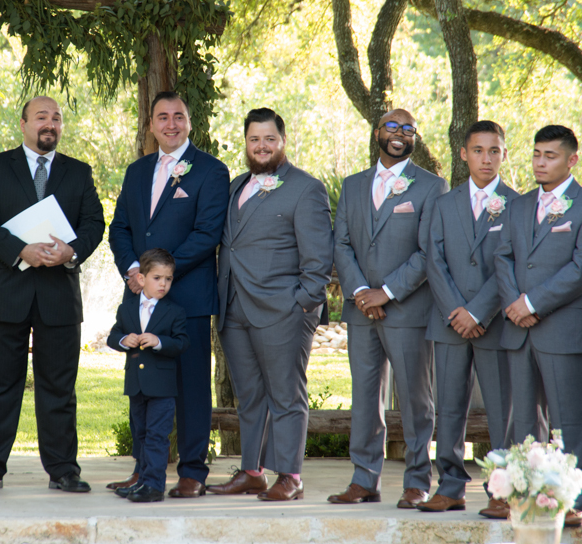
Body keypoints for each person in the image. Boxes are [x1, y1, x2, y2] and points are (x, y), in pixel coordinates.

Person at [0, 96, 105, 492]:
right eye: (42, 117)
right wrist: (19, 249)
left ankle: (63, 471)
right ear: (24, 124)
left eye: (57, 118)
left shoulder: (79, 173)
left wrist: (72, 250)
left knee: (59, 387)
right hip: (6, 293)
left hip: (59, 295)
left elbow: (95, 222)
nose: (50, 123)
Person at [207, 107, 333, 501]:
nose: (261, 147)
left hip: (283, 311)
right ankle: (252, 471)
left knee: (286, 395)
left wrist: (302, 305)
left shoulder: (305, 188)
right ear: (246, 143)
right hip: (234, 308)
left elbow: (318, 260)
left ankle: (290, 476)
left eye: (269, 139)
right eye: (254, 139)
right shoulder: (234, 186)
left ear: (282, 141)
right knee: (250, 396)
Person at [108, 91, 229, 498]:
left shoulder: (211, 171)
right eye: (163, 116)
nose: (171, 123)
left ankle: (193, 472)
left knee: (191, 388)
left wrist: (159, 274)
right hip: (140, 302)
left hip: (188, 300)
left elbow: (207, 234)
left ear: (190, 122)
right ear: (151, 124)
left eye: (179, 116)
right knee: (145, 389)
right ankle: (144, 470)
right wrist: (134, 272)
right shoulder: (137, 171)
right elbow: (120, 228)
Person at [330, 109, 448, 508]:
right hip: (361, 311)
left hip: (408, 310)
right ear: (377, 132)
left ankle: (417, 481)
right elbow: (341, 244)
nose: (399, 134)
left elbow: (429, 250)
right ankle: (364, 479)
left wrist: (387, 292)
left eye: (408, 129)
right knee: (365, 398)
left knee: (416, 400)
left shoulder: (432, 187)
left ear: (414, 137)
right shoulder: (352, 185)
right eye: (392, 127)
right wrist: (362, 291)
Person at [493, 125, 582, 524]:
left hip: (562, 329)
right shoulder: (519, 205)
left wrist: (532, 302)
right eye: (537, 154)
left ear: (572, 159)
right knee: (524, 421)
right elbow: (503, 257)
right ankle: (529, 496)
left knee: (571, 419)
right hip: (517, 328)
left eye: (551, 156)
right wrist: (513, 303)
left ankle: (580, 498)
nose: (541, 162)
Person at [421, 120, 517, 514]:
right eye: (478, 150)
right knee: (449, 406)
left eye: (494, 151)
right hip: (449, 322)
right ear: (463, 154)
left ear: (504, 155)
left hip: (493, 323)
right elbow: (434, 259)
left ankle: (502, 490)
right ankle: (450, 485)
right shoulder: (444, 204)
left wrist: (477, 310)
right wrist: (456, 311)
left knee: (501, 409)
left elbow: (510, 265)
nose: (486, 158)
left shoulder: (518, 204)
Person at [107, 249, 190, 503]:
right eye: (157, 278)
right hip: (136, 385)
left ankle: (154, 485)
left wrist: (159, 341)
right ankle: (142, 481)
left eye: (168, 278)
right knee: (141, 434)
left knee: (157, 435)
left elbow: (182, 343)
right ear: (141, 279)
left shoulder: (174, 311)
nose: (163, 284)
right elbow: (113, 336)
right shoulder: (127, 308)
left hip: (162, 387)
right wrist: (124, 339)